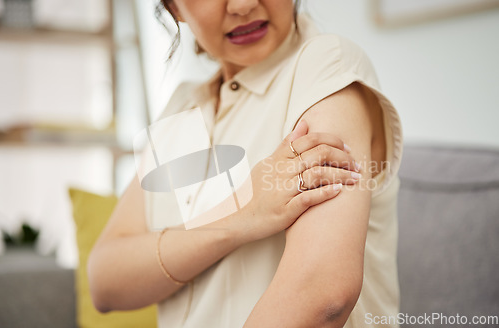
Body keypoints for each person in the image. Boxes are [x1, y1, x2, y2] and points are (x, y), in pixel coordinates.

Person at [88, 0, 403, 327]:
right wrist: (239, 216)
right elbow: (105, 281)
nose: (243, 5)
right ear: (174, 8)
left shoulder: (325, 65)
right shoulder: (182, 108)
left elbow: (323, 294)